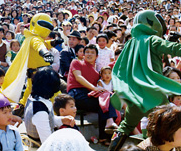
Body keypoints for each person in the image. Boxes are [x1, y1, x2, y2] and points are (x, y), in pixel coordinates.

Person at [109, 10, 181, 151]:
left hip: (136, 95)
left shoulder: (130, 43)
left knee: (125, 127)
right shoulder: (152, 39)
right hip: (152, 96)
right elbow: (172, 48)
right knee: (174, 123)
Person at [67, 44, 117, 145]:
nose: (89, 54)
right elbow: (78, 77)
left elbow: (111, 68)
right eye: (87, 52)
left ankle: (104, 137)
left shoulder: (96, 73)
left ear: (97, 56)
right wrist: (94, 88)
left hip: (89, 95)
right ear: (83, 54)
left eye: (92, 52)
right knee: (106, 101)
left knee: (105, 104)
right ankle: (109, 122)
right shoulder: (76, 62)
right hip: (76, 94)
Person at [24, 66, 75, 143]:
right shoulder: (40, 111)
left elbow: (47, 120)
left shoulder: (33, 98)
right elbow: (47, 142)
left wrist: (62, 120)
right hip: (40, 146)